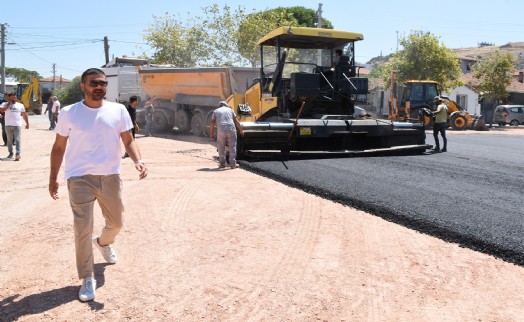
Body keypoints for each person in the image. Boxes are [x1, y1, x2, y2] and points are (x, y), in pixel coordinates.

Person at [49, 68, 148, 302]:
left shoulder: (118, 110)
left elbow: (128, 139)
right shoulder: (69, 112)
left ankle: (103, 242)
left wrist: (138, 160)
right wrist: (53, 178)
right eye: (94, 83)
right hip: (79, 177)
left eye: (102, 83)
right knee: (82, 228)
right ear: (83, 85)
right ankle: (86, 277)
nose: (99, 86)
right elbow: (59, 147)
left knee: (116, 222)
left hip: (110, 175)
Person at [209, 101, 244, 169]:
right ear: (226, 105)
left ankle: (222, 164)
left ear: (219, 106)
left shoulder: (216, 111)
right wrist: (241, 130)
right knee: (232, 146)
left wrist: (211, 134)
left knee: (221, 146)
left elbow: (212, 122)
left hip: (221, 130)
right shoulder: (230, 110)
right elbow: (236, 121)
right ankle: (233, 164)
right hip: (231, 129)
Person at [0, 93, 29, 160]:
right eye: (12, 98)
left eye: (15, 98)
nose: (14, 99)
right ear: (9, 98)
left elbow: (24, 114)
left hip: (17, 125)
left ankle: (17, 154)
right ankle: (11, 153)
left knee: (17, 139)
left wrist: (27, 123)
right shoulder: (4, 104)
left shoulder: (20, 105)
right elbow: (1, 110)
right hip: (8, 125)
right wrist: (8, 105)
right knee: (9, 141)